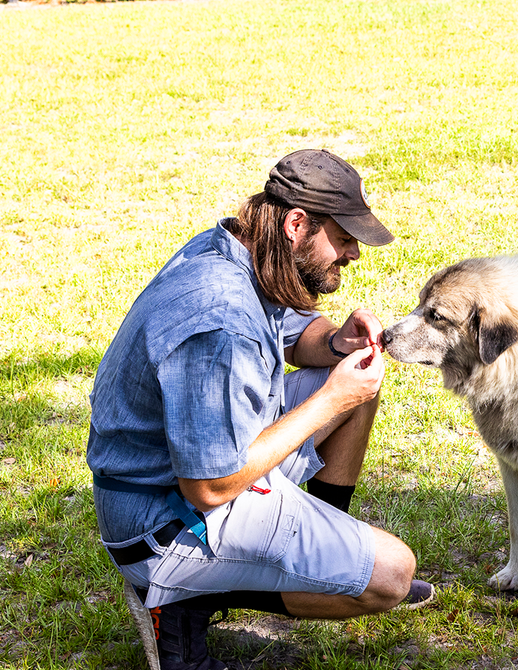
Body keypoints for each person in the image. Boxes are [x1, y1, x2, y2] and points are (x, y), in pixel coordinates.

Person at [86, 149, 432, 670]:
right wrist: (332, 398)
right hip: (162, 524)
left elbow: (294, 335)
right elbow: (208, 486)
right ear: (297, 224)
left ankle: (311, 556)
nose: (353, 253)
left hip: (188, 482)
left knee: (358, 391)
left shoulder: (240, 249)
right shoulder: (219, 320)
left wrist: (337, 342)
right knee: (391, 575)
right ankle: (184, 599)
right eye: (342, 238)